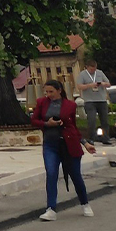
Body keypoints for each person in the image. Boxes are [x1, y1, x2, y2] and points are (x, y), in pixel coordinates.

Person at [31, 79, 96, 220]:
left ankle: (85, 203)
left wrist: (85, 143)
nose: (49, 94)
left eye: (51, 92)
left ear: (59, 90)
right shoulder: (42, 103)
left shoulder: (70, 105)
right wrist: (46, 124)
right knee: (51, 173)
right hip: (50, 144)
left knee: (75, 176)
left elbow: (73, 127)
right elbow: (34, 120)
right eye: (46, 92)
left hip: (68, 143)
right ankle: (51, 208)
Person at [76, 59, 113, 145]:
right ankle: (91, 138)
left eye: (94, 69)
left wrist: (103, 84)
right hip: (90, 100)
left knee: (105, 120)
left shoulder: (100, 73)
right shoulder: (82, 74)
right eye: (91, 69)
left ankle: (106, 138)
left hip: (101, 99)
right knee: (91, 120)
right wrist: (90, 85)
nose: (93, 70)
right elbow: (79, 86)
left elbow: (108, 84)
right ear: (87, 67)